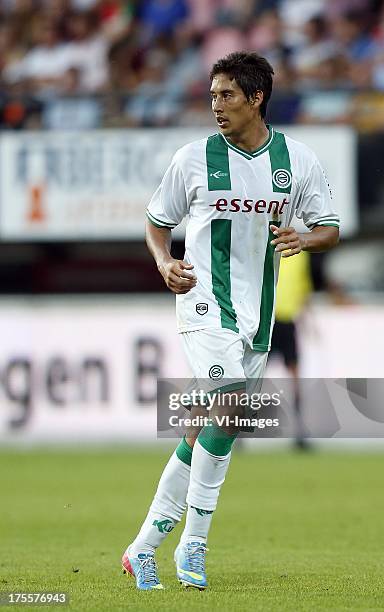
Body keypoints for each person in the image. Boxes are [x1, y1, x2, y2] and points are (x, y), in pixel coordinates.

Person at [122, 51, 340, 591]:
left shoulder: (297, 159)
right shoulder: (193, 158)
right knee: (233, 406)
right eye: (213, 95)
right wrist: (164, 261)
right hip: (203, 302)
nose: (216, 106)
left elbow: (329, 226)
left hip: (257, 313)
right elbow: (156, 222)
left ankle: (143, 546)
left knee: (205, 427)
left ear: (256, 98)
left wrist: (304, 237)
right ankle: (193, 545)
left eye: (227, 96)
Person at [268, 250, 313, 449]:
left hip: (286, 320)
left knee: (295, 377)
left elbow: (302, 286)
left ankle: (300, 431)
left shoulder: (300, 253)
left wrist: (307, 317)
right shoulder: (263, 242)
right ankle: (235, 430)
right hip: (264, 320)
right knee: (250, 377)